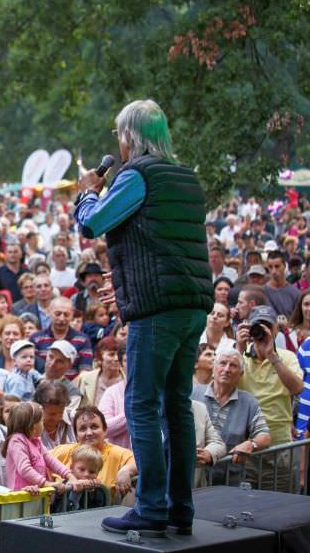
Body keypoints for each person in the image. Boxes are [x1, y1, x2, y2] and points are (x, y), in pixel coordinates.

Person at [75, 100, 213, 536]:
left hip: (158, 311)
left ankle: (151, 508)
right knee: (177, 407)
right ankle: (180, 509)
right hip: (191, 304)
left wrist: (86, 193)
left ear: (128, 137)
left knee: (141, 405)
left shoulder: (137, 175)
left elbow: (93, 224)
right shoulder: (187, 177)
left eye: (120, 135)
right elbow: (159, 241)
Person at [235, 305, 303, 490]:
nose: (262, 331)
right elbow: (223, 388)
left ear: (275, 330)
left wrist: (272, 356)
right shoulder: (239, 356)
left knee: (279, 506)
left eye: (267, 326)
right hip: (244, 446)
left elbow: (297, 388)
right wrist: (239, 350)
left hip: (278, 448)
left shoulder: (287, 357)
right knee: (243, 509)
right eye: (258, 326)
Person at [190, 348, 272, 486]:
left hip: (228, 481)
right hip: (193, 479)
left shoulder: (247, 402)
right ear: (214, 368)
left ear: (241, 373)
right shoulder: (193, 394)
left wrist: (251, 444)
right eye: (222, 363)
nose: (227, 369)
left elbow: (265, 435)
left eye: (233, 365)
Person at [50, 407, 137, 497]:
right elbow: (39, 459)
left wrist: (126, 471)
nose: (89, 433)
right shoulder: (62, 452)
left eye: (94, 427)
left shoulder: (117, 453)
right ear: (76, 435)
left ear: (105, 430)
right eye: (83, 429)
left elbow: (139, 461)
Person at [2, 401, 75, 493]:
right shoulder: (17, 441)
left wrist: (69, 475)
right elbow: (25, 469)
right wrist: (46, 483)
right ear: (32, 425)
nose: (43, 423)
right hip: (22, 499)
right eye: (41, 420)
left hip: (37, 496)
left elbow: (51, 461)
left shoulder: (37, 441)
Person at [51, 446, 107, 512]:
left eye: (92, 472)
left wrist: (93, 493)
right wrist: (75, 494)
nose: (87, 474)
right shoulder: (64, 487)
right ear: (71, 467)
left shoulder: (99, 488)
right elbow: (60, 512)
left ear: (97, 473)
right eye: (82, 469)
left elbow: (101, 510)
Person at [75, 337, 124, 408]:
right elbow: (75, 407)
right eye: (111, 354)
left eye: (119, 355)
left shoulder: (128, 381)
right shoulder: (85, 378)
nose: (117, 359)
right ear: (100, 357)